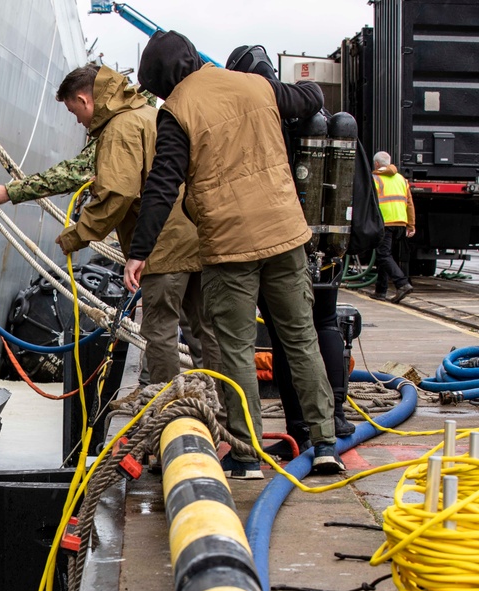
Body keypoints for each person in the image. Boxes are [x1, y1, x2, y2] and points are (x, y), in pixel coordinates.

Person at [126, 31, 342, 477]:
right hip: (286, 234)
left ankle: (246, 457)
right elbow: (311, 96)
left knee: (236, 350)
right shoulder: (255, 85)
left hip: (230, 247)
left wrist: (139, 251)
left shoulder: (177, 110)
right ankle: (324, 444)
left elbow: (163, 185)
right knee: (301, 340)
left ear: (163, 79)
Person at [20, 62, 219, 389]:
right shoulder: (150, 115)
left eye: (74, 113)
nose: (79, 121)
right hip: (194, 236)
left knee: (159, 330)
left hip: (162, 244)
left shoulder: (119, 128)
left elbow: (118, 193)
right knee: (203, 329)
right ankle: (222, 409)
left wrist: (77, 235)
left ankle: (164, 407)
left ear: (85, 101)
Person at [225, 44, 357, 457]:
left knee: (286, 339)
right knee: (324, 325)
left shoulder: (253, 114)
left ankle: (295, 432)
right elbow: (314, 93)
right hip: (325, 238)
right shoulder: (300, 107)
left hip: (278, 239)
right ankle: (331, 423)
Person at [372, 151, 416, 303]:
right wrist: (411, 224)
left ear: (377, 164)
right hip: (400, 223)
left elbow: (370, 203)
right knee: (386, 255)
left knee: (383, 255)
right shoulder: (401, 179)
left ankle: (402, 283)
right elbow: (409, 203)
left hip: (386, 222)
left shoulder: (375, 179)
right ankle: (380, 290)